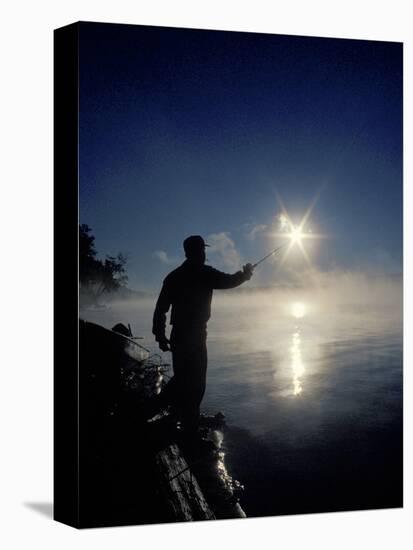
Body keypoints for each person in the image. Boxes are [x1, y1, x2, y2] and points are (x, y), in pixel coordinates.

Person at [151, 235, 254, 435]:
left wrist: (160, 335)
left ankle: (175, 414)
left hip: (178, 335)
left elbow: (160, 309)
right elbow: (230, 281)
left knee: (183, 378)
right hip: (196, 335)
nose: (204, 254)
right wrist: (246, 274)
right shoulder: (205, 273)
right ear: (196, 252)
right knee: (196, 384)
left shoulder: (174, 276)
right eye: (202, 250)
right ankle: (186, 426)